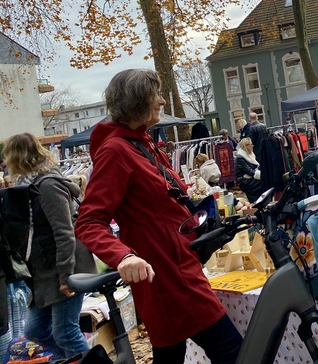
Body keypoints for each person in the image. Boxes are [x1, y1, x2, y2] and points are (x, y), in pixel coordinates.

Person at [75, 69, 243, 364]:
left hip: (176, 263)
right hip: (164, 273)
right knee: (232, 350)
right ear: (138, 101)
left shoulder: (141, 143)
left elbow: (163, 204)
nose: (163, 102)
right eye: (157, 95)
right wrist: (124, 256)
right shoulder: (116, 150)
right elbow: (89, 220)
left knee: (171, 351)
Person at [2, 133, 96, 360]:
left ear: (17, 156)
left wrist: (66, 276)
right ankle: (73, 359)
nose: (5, 163)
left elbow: (64, 233)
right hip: (44, 271)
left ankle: (87, 360)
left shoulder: (47, 185)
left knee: (65, 331)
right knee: (34, 330)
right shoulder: (27, 186)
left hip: (62, 267)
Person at [234, 138, 262, 203]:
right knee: (264, 183)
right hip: (245, 181)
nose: (253, 146)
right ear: (245, 146)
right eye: (251, 144)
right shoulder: (240, 158)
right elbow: (249, 171)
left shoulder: (249, 155)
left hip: (248, 179)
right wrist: (262, 175)